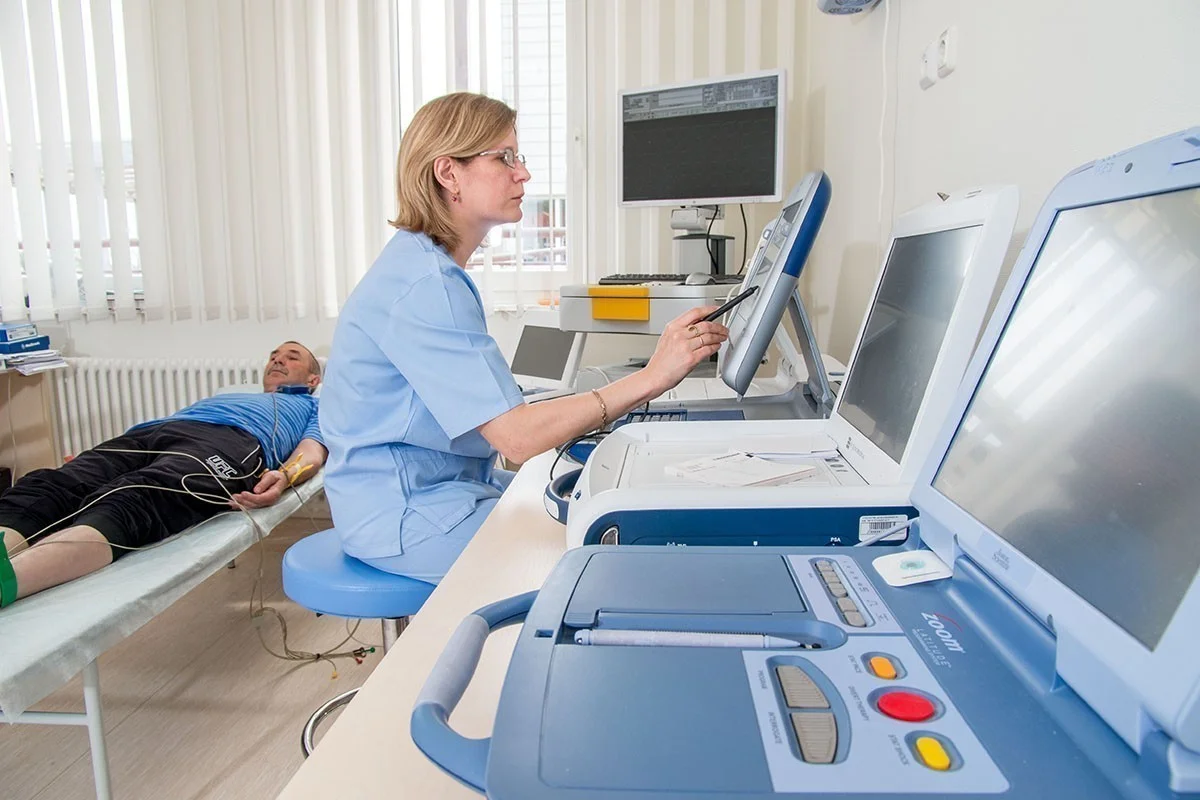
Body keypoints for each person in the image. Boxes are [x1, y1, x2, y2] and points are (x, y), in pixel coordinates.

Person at [319, 92, 729, 584]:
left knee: (592, 511)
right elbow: (517, 439)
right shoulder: (426, 285)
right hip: (404, 513)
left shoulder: (426, 268)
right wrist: (652, 377)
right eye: (505, 158)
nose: (524, 174)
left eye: (520, 157)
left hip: (433, 490)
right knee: (603, 563)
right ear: (448, 173)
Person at [0, 341, 327, 607]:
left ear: (313, 380)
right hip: (152, 432)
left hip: (230, 442)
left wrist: (285, 477)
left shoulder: (316, 406)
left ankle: (11, 580)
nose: (277, 359)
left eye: (292, 356)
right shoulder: (230, 395)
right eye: (274, 355)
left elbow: (312, 451)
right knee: (52, 484)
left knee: (135, 497)